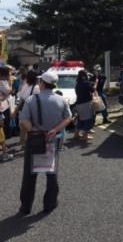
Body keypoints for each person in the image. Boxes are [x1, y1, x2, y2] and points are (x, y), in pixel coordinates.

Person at [19, 70, 72, 215]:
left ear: (42, 83)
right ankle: (50, 204)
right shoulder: (61, 100)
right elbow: (68, 118)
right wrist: (55, 130)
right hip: (52, 140)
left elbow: (23, 119)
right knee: (51, 172)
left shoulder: (31, 100)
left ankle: (25, 207)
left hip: (34, 140)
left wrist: (34, 131)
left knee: (29, 175)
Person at [15, 70, 40, 146]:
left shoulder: (25, 85)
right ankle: (27, 142)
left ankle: (22, 141)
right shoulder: (36, 87)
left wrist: (16, 110)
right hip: (31, 109)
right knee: (30, 127)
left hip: (22, 108)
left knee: (22, 126)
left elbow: (20, 96)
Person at [73, 70, 95, 141]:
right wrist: (94, 84)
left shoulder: (77, 84)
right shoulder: (86, 83)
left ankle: (76, 134)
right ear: (84, 76)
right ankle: (85, 136)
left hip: (78, 103)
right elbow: (92, 90)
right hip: (86, 104)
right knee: (88, 119)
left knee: (80, 119)